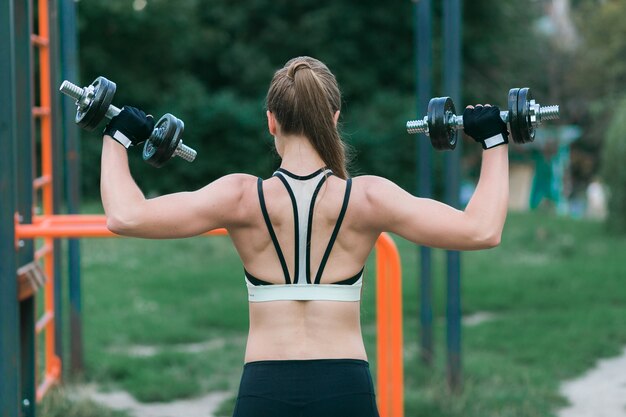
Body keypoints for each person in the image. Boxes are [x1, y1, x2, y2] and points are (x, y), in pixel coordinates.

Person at [100, 56, 509, 417]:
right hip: (344, 387)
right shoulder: (367, 197)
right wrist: (494, 140)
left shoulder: (240, 196)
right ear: (333, 117)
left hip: (265, 389)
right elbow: (482, 230)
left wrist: (117, 136)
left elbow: (125, 216)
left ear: (271, 120)